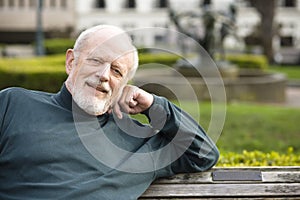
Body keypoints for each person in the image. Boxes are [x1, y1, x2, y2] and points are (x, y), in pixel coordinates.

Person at [0, 25, 219, 200]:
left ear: (125, 84)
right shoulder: (13, 104)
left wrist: (154, 105)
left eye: (117, 71)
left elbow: (203, 153)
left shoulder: (138, 143)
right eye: (95, 60)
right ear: (71, 62)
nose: (104, 75)